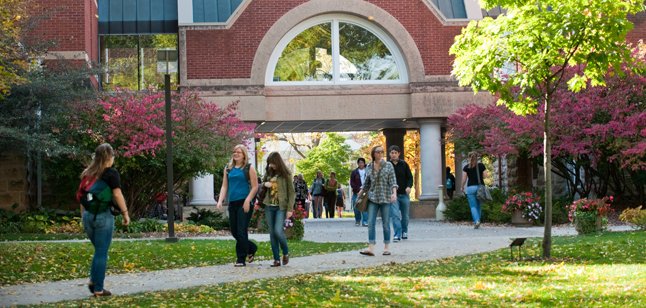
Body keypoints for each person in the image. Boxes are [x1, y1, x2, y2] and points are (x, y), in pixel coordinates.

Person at [76, 143, 130, 297]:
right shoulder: (111, 174)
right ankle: (98, 288)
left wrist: (83, 217)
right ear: (110, 157)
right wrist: (125, 213)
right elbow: (117, 195)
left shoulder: (88, 173)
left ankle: (94, 281)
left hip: (88, 216)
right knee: (101, 252)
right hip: (103, 216)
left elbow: (81, 197)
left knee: (99, 251)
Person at [216, 144, 259, 267]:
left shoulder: (249, 168)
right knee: (234, 231)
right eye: (234, 152)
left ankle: (241, 259)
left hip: (244, 203)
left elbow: (255, 187)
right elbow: (224, 186)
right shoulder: (228, 169)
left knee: (241, 230)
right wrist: (220, 200)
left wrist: (247, 200)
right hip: (233, 203)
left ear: (244, 155)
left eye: (239, 152)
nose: (236, 154)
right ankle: (251, 248)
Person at [358, 146, 397, 256]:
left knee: (386, 224)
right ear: (373, 154)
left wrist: (394, 193)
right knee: (370, 223)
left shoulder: (388, 165)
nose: (380, 154)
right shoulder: (369, 166)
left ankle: (386, 247)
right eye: (378, 152)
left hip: (385, 197)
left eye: (382, 152)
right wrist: (360, 194)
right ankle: (371, 247)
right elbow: (366, 183)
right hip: (373, 198)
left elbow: (393, 181)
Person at [261, 152, 296, 267]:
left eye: (273, 163)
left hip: (281, 207)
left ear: (278, 162)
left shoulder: (286, 174)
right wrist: (265, 183)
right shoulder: (268, 173)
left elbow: (291, 193)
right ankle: (276, 259)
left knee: (277, 231)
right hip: (269, 206)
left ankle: (285, 252)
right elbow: (261, 183)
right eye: (269, 163)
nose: (271, 165)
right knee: (272, 233)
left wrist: (290, 209)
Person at [388, 145, 413, 241]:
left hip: (404, 194)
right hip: (393, 195)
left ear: (399, 153)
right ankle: (397, 234)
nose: (393, 154)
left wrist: (409, 186)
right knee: (395, 215)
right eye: (392, 153)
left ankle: (404, 231)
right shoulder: (387, 165)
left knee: (405, 216)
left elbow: (410, 177)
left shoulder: (404, 164)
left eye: (395, 153)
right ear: (389, 154)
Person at [461, 152, 487, 229]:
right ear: (477, 157)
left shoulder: (466, 167)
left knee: (473, 206)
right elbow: (485, 176)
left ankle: (476, 221)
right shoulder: (481, 165)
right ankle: (478, 220)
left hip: (470, 188)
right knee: (479, 205)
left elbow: (464, 179)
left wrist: (462, 187)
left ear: (468, 158)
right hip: (480, 187)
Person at [350, 158, 368, 226]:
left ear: (364, 163)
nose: (361, 164)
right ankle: (357, 220)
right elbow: (352, 183)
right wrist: (358, 190)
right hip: (356, 192)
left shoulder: (368, 171)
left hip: (365, 192)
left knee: (365, 207)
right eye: (359, 163)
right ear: (358, 164)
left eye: (362, 162)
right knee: (356, 207)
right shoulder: (354, 172)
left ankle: (365, 221)